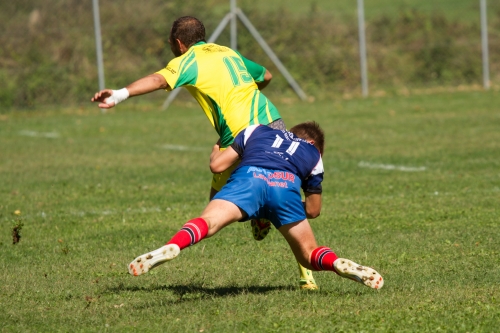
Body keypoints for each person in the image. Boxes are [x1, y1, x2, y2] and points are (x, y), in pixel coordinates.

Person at [91, 16, 319, 289]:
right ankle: (306, 276)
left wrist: (119, 94)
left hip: (238, 134)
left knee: (217, 204)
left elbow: (158, 79)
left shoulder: (187, 61)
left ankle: (252, 215)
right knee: (286, 194)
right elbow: (266, 75)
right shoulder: (227, 52)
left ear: (178, 43)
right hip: (271, 123)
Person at [128, 121, 384, 291]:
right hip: (285, 189)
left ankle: (175, 244)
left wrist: (215, 149)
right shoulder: (313, 156)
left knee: (208, 223)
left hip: (249, 179)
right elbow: (314, 210)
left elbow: (218, 166)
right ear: (315, 145)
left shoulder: (256, 130)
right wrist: (279, 209)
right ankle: (336, 263)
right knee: (308, 255)